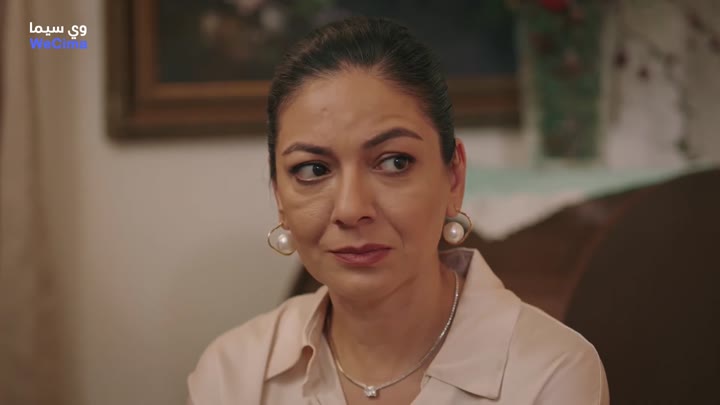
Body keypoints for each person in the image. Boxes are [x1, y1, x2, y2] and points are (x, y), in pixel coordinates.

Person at [187, 16, 609, 405]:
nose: (351, 209)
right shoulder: (232, 374)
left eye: (394, 162)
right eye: (313, 169)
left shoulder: (551, 373)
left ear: (453, 179)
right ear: (279, 194)